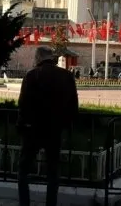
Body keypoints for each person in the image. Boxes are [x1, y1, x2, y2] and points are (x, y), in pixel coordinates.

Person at [17, 46, 79, 206]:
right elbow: (73, 105)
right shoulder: (66, 76)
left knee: (23, 170)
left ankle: (25, 203)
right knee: (53, 171)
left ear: (38, 58)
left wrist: (22, 124)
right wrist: (66, 124)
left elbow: (23, 104)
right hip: (55, 129)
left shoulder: (32, 75)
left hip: (33, 129)